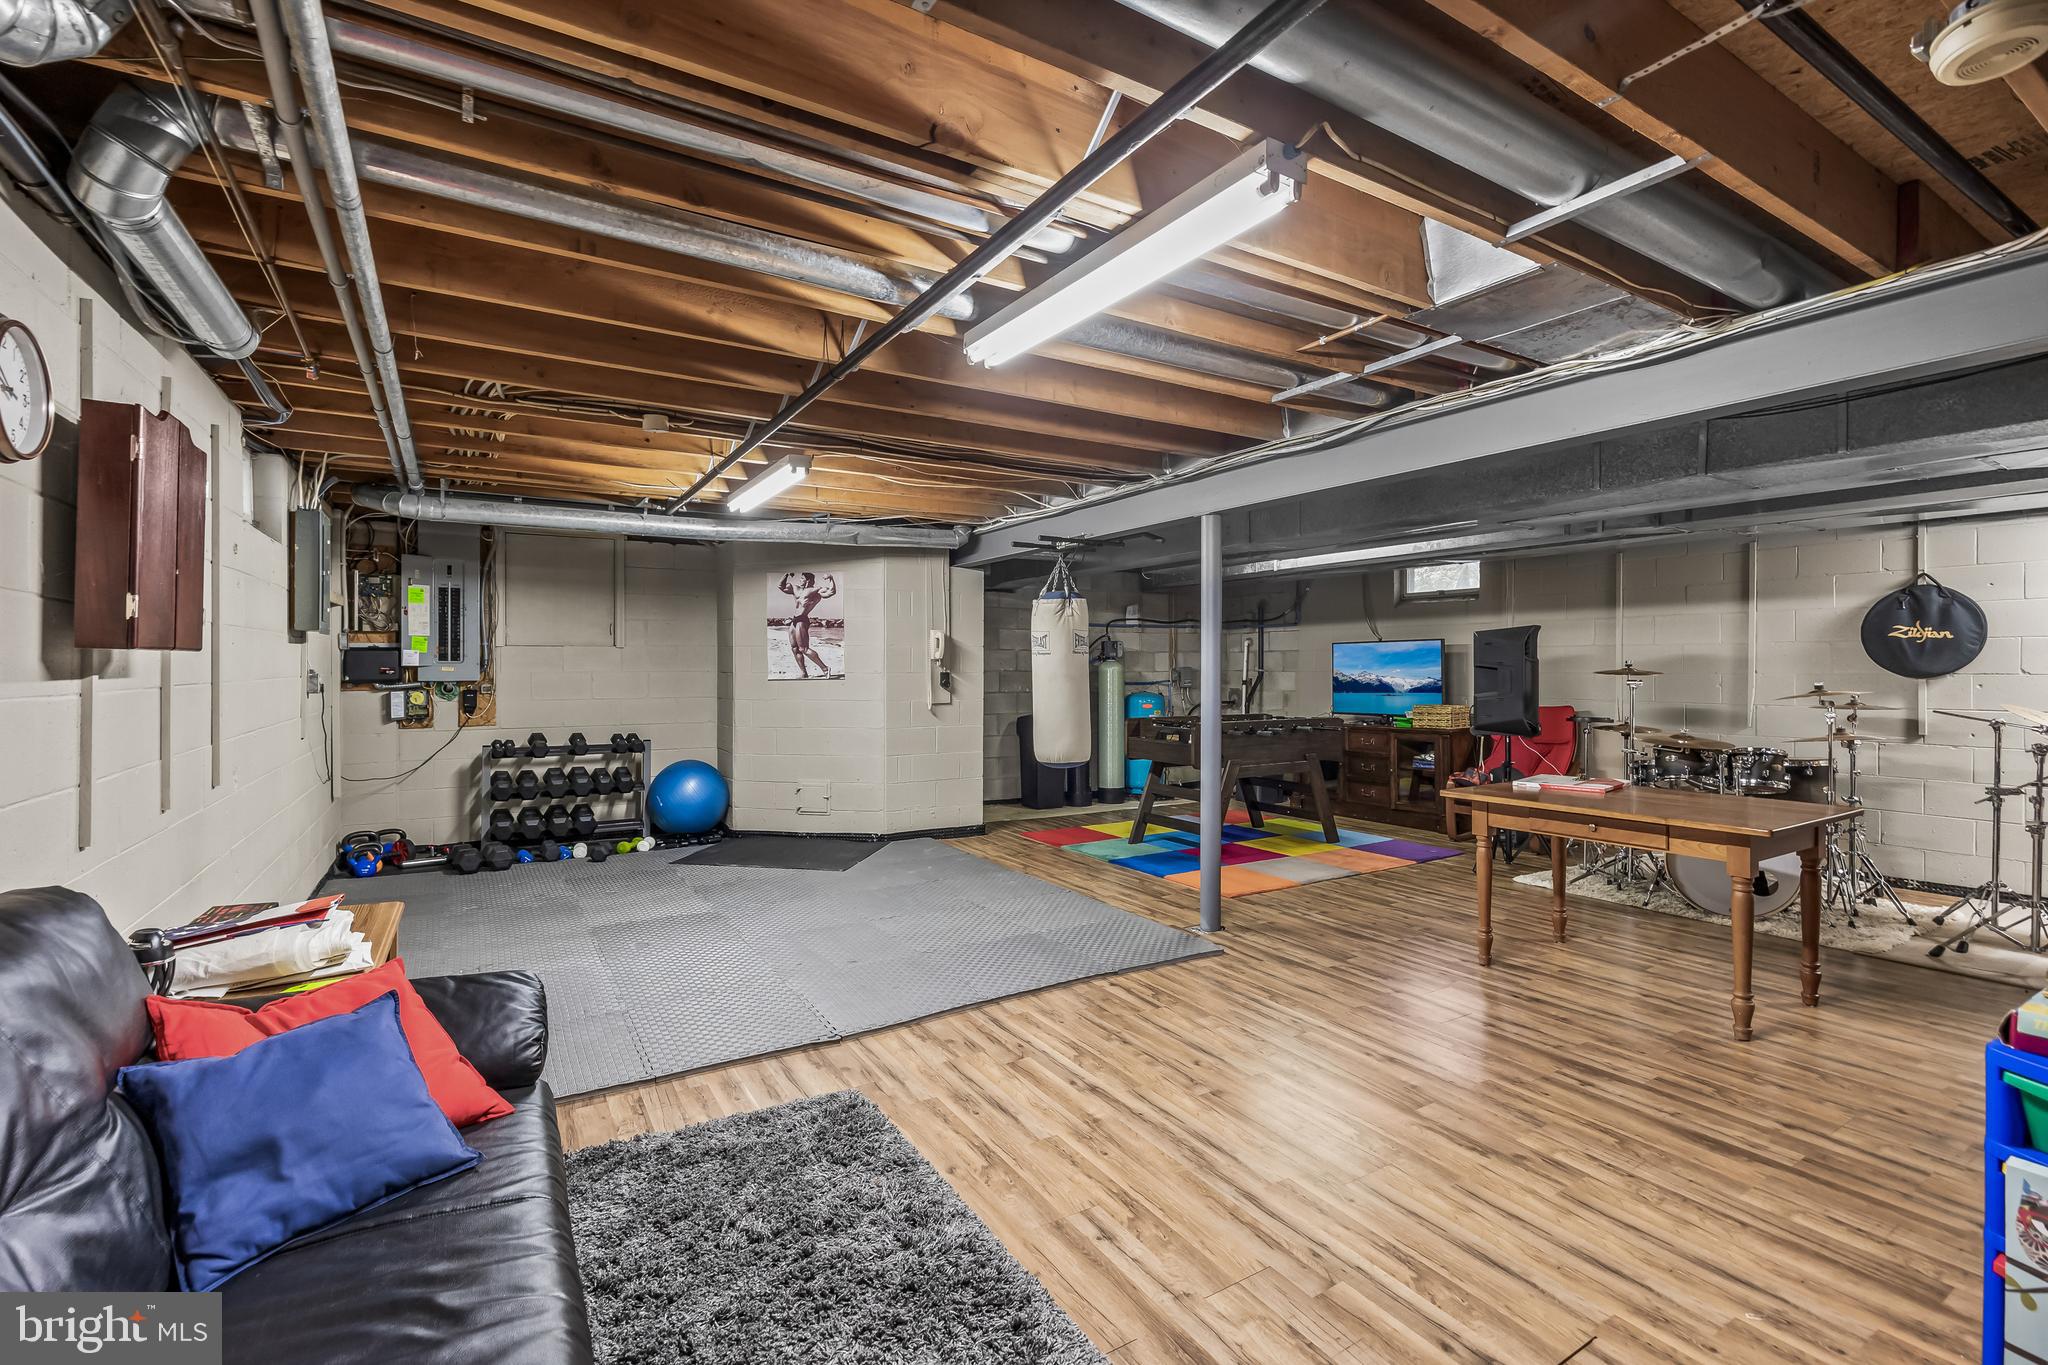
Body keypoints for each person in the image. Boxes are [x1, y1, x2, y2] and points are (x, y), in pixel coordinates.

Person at [777, 571, 838, 678]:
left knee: (803, 648)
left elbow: (831, 592)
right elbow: (780, 586)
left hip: (802, 620)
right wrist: (786, 575)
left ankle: (825, 669)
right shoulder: (796, 589)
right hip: (794, 621)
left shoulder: (815, 590)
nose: (800, 580)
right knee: (794, 648)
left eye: (802, 578)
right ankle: (804, 673)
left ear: (808, 580)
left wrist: (831, 578)